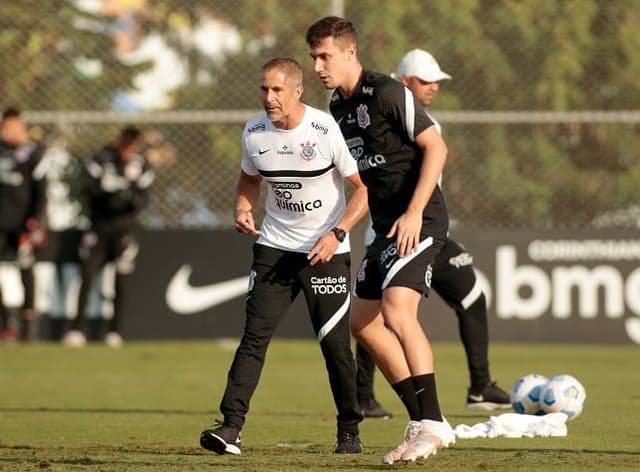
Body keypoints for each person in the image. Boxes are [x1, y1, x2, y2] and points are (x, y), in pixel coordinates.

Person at [199, 58, 368, 456]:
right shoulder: (254, 132)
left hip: (325, 252)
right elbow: (249, 177)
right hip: (274, 248)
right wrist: (243, 207)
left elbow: (364, 190)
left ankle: (349, 430)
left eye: (276, 90)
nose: (268, 98)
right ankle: (231, 428)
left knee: (335, 346)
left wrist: (336, 233)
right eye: (263, 89)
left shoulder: (326, 130)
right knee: (254, 339)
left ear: (297, 91)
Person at [306, 17, 454, 464]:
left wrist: (412, 212)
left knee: (397, 309)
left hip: (421, 219)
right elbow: (362, 177)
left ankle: (431, 424)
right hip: (384, 224)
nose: (317, 66)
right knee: (363, 323)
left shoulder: (388, 92)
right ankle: (423, 420)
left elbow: (437, 148)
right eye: (313, 57)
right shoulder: (337, 106)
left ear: (350, 52)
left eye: (324, 56)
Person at [355, 49, 510, 418]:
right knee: (375, 318)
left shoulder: (414, 121)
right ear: (404, 81)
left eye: (437, 82)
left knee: (383, 314)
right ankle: (461, 395)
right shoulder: (394, 116)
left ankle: (468, 390)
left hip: (417, 229)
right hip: (404, 232)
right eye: (426, 81)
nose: (434, 88)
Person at [62, 126, 154, 348]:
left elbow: (143, 199)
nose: (127, 151)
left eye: (132, 147)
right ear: (119, 142)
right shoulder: (101, 159)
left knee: (120, 280)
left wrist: (125, 193)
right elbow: (85, 186)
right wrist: (105, 190)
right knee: (87, 275)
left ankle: (114, 331)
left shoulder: (141, 165)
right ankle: (76, 330)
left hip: (125, 230)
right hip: (99, 227)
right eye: (125, 145)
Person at [0, 107, 47, 342]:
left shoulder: (34, 154)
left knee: (26, 271)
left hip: (22, 224)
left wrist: (33, 223)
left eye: (13, 127)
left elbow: (41, 192)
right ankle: (6, 323)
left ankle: (28, 325)